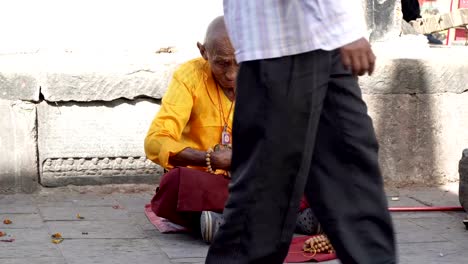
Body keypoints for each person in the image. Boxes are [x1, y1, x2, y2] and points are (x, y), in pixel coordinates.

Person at [205, 1, 397, 264]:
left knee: (354, 180)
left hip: (326, 39)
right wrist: (342, 22)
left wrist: (340, 25)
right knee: (262, 202)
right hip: (280, 42)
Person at [144, 16, 321, 243]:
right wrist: (210, 158)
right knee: (174, 185)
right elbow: (155, 141)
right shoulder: (189, 77)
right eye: (222, 63)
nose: (231, 74)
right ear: (204, 52)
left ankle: (230, 220)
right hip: (207, 180)